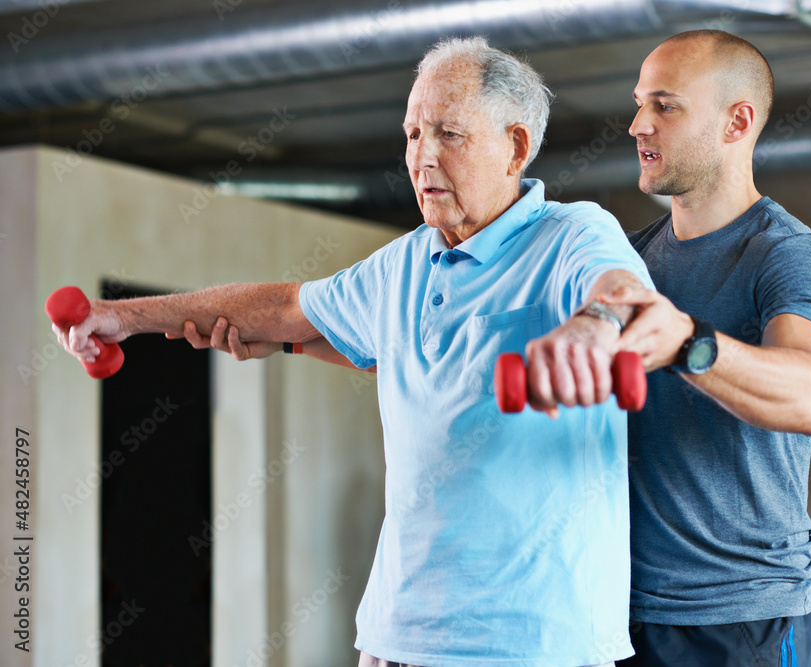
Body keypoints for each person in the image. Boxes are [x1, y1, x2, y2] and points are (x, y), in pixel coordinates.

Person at [54, 37, 653, 666]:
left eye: (448, 134)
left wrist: (591, 328)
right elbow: (290, 309)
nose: (421, 158)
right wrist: (122, 318)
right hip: (395, 640)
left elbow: (618, 290)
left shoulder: (570, 234)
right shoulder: (404, 263)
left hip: (531, 645)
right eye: (412, 134)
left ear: (516, 147)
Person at [601, 30, 811, 666]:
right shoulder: (625, 258)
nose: (637, 124)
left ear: (736, 122)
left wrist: (687, 342)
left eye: (665, 105)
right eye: (638, 103)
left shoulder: (790, 256)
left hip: (743, 618)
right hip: (621, 612)